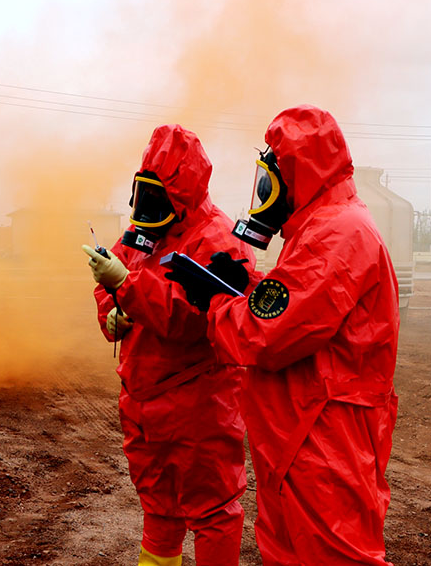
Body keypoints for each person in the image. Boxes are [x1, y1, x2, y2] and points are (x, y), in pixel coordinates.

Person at [165, 105, 399, 565]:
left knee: (333, 557)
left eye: (271, 182)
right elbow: (295, 304)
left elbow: (267, 336)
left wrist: (215, 302)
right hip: (300, 433)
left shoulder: (338, 233)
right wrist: (244, 286)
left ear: (297, 174)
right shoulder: (323, 227)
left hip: (324, 439)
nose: (265, 195)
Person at [82, 124, 255, 566]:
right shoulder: (145, 230)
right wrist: (112, 313)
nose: (147, 206)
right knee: (158, 506)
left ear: (183, 191)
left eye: (157, 195)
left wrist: (128, 288)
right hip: (144, 396)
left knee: (212, 509)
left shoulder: (219, 240)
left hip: (199, 399)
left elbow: (197, 316)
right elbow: (114, 273)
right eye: (144, 193)